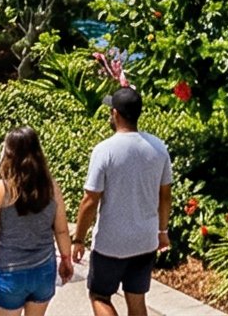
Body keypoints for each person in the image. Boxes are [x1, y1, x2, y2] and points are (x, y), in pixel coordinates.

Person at [72, 86, 173, 316]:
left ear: (116, 114)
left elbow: (90, 200)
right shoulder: (158, 148)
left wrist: (78, 239)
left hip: (111, 244)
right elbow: (165, 194)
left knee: (99, 296)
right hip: (145, 241)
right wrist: (162, 230)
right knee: (137, 301)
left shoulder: (104, 150)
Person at [0, 125, 72, 316]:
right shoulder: (52, 187)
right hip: (44, 269)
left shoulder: (1, 189)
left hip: (10, 271)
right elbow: (61, 230)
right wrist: (66, 259)